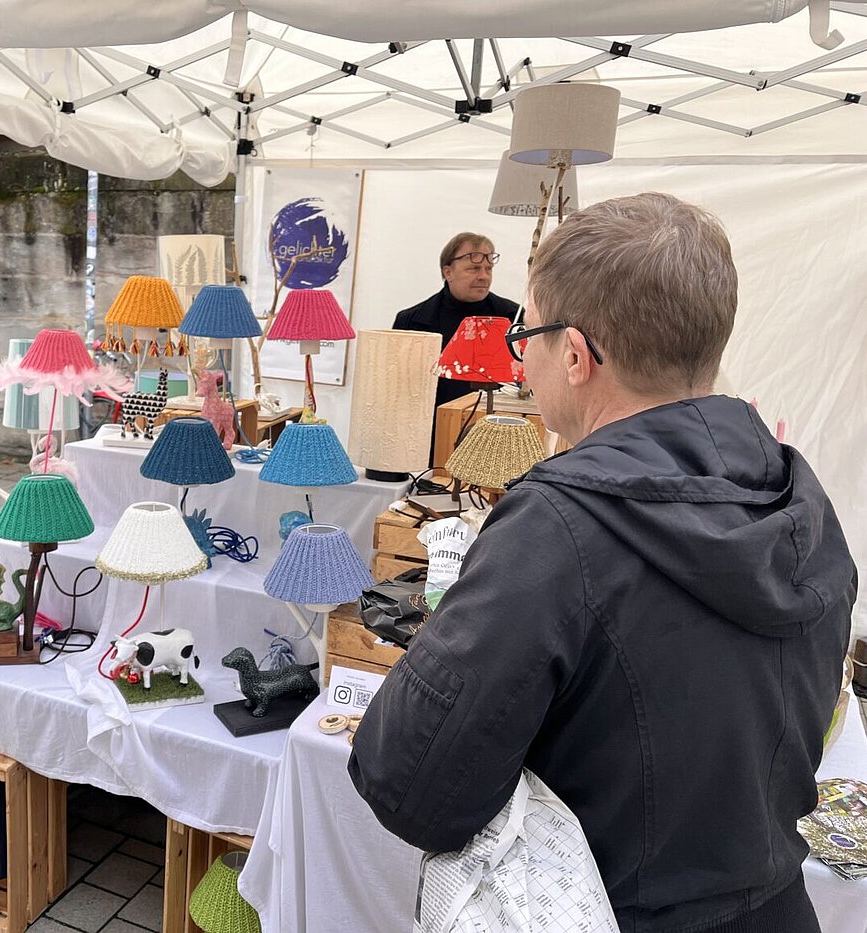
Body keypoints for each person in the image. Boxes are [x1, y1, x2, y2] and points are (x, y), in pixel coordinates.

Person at [351, 193, 855, 931]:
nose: (521, 353)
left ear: (578, 355)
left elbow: (408, 780)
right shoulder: (800, 500)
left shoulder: (556, 525)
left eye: (528, 330)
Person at [393, 232, 520, 459]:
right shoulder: (411, 321)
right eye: (473, 269)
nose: (484, 276)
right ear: (447, 272)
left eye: (488, 269)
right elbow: (399, 390)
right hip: (429, 439)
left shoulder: (512, 318)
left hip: (495, 438)